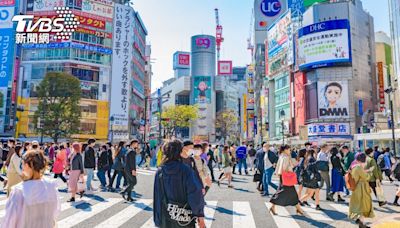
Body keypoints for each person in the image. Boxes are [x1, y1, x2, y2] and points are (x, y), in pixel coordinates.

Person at [153, 140, 205, 228]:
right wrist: (200, 215)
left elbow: (157, 197)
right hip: (184, 217)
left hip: (166, 218)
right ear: (180, 151)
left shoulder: (160, 171)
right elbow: (195, 194)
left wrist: (158, 220)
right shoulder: (186, 170)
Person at [1, 150, 60, 228]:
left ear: (27, 165)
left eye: (22, 164)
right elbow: (55, 212)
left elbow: (9, 222)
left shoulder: (19, 191)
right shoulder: (51, 186)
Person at [269, 145, 304, 216]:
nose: (290, 151)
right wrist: (291, 166)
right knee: (285, 192)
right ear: (285, 150)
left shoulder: (281, 156)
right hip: (286, 177)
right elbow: (286, 167)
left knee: (288, 192)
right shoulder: (286, 157)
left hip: (282, 176)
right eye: (289, 149)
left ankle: (298, 209)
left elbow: (279, 166)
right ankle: (298, 209)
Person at [349, 153, 374, 228]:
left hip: (356, 188)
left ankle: (360, 222)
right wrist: (369, 172)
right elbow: (366, 177)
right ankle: (361, 224)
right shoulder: (359, 167)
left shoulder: (354, 166)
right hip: (361, 188)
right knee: (362, 206)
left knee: (359, 205)